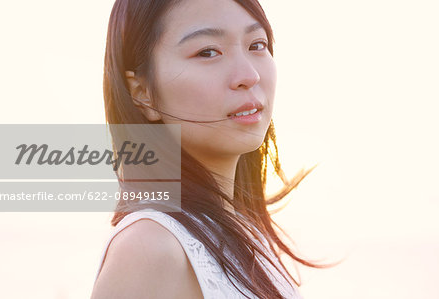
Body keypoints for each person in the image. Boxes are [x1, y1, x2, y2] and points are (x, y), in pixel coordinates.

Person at [91, 0, 331, 298]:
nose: (249, 75)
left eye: (257, 45)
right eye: (208, 52)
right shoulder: (151, 246)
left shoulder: (244, 234)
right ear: (142, 92)